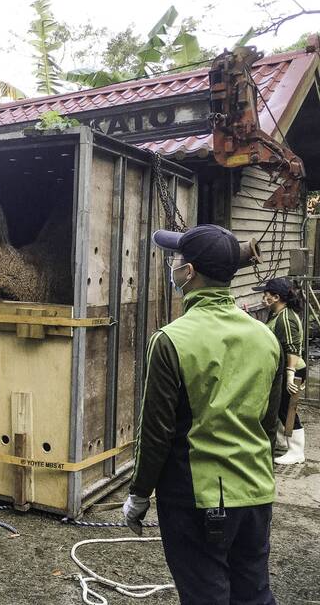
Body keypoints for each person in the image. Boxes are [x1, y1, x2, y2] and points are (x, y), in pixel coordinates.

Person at [123, 224, 283, 605]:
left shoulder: (171, 340)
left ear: (189, 272)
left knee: (205, 594)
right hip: (256, 494)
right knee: (254, 593)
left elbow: (157, 433)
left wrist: (139, 494)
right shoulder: (265, 337)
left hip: (198, 499)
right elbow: (268, 422)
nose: (172, 265)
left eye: (176, 259)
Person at [254, 277, 307, 465]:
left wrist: (290, 375)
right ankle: (285, 443)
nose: (263, 297)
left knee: (287, 409)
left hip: (292, 370)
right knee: (278, 407)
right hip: (283, 369)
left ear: (276, 297)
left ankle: (297, 451)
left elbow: (293, 347)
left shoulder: (286, 318)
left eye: (265, 294)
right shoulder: (277, 313)